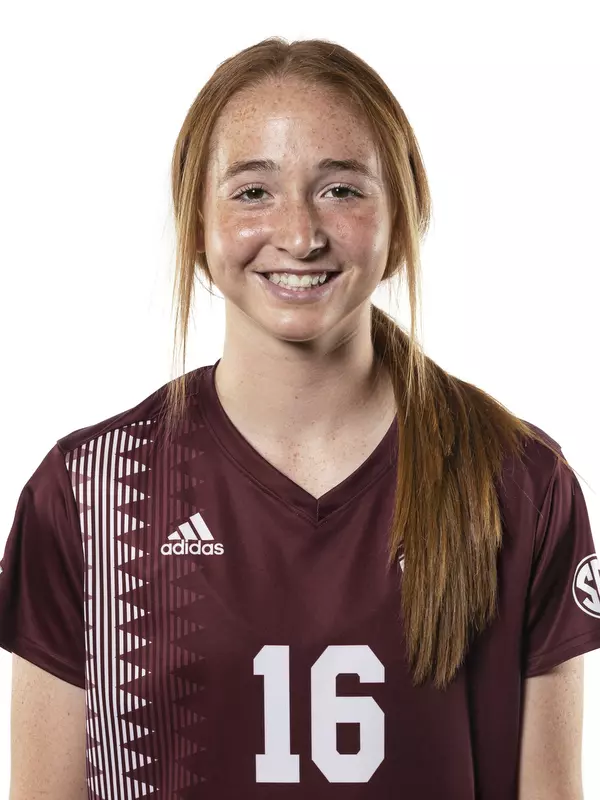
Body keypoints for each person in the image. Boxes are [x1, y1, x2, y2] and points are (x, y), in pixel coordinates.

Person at [1, 36, 598, 800]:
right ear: (195, 220)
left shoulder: (517, 484)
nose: (299, 233)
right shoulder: (91, 494)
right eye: (253, 192)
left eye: (341, 189)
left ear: (404, 213)